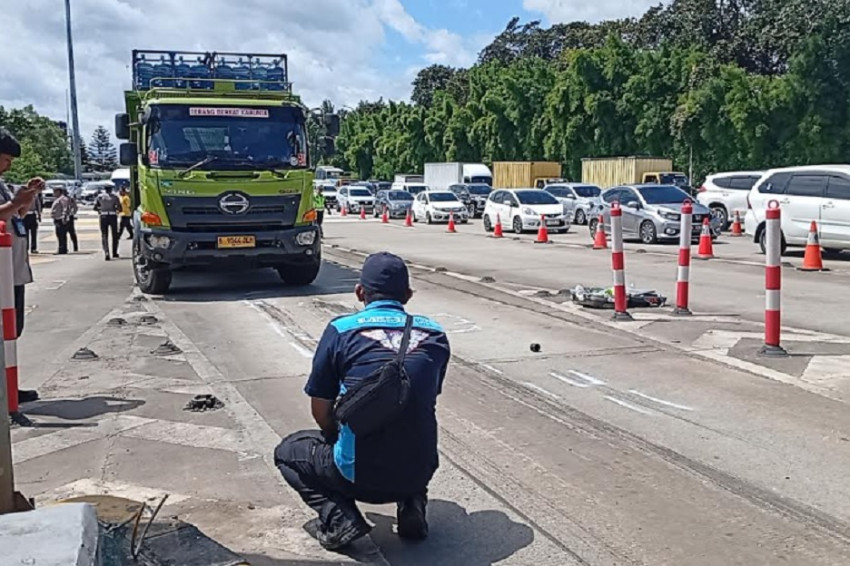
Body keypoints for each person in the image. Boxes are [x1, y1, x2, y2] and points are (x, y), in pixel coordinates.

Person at [274, 252, 451, 551]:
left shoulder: (341, 330)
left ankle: (340, 518)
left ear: (359, 292)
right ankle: (412, 503)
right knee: (409, 426)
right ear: (407, 295)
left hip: (358, 477)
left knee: (288, 451)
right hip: (419, 469)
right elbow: (423, 397)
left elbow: (320, 410)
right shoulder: (435, 334)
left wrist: (336, 436)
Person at [0, 128, 42, 404]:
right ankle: (6, 392)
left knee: (13, 331)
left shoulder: (2, 184)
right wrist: (15, 203)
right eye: (5, 159)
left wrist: (29, 196)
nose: (8, 165)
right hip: (2, 272)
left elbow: (17, 214)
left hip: (13, 270)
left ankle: (9, 386)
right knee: (4, 332)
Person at [94, 184, 121, 260]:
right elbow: (119, 207)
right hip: (112, 215)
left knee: (104, 235)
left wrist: (101, 210)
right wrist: (115, 209)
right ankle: (114, 252)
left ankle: (106, 252)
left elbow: (95, 207)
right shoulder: (115, 197)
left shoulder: (100, 197)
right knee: (114, 234)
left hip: (103, 215)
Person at [50, 186, 72, 255]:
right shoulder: (58, 199)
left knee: (61, 234)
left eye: (55, 192)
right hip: (57, 219)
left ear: (59, 192)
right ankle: (62, 248)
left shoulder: (63, 199)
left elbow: (65, 208)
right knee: (59, 235)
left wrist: (63, 217)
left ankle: (62, 249)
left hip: (60, 219)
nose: (54, 193)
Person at [22, 185, 42, 253]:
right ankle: (26, 247)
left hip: (32, 215)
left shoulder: (35, 196)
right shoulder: (23, 196)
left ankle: (33, 248)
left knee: (34, 233)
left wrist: (39, 215)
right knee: (25, 233)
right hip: (25, 215)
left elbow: (38, 205)